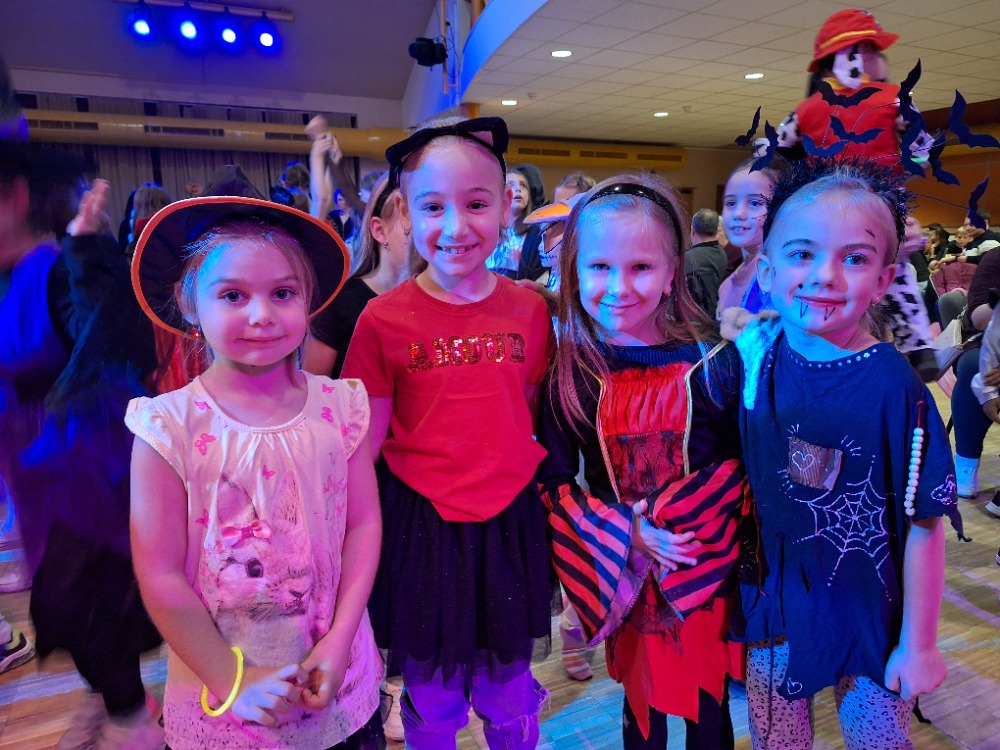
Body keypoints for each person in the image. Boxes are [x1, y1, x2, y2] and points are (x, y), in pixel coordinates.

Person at [126, 197, 385, 749]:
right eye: (233, 295)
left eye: (283, 293)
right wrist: (232, 680)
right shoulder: (167, 427)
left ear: (308, 299)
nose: (262, 314)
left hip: (340, 683)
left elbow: (362, 525)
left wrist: (340, 641)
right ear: (189, 303)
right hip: (225, 704)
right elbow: (160, 574)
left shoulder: (340, 407)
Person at [734, 161, 964, 750]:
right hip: (774, 604)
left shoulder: (893, 387)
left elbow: (924, 524)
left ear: (884, 280)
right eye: (801, 254)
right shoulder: (754, 356)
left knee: (877, 740)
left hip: (871, 615)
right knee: (775, 739)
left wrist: (919, 643)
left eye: (854, 258)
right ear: (768, 269)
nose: (825, 276)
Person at [342, 117, 552, 749]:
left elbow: (529, 411)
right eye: (434, 207)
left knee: (508, 691)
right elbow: (363, 445)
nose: (456, 227)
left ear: (507, 206)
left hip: (509, 524)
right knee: (432, 698)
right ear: (405, 213)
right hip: (421, 528)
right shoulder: (381, 319)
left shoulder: (529, 309)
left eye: (476, 204)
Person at [538, 174, 747, 749]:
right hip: (623, 570)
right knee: (642, 707)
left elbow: (740, 466)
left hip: (702, 566)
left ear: (673, 271)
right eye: (600, 267)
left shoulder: (715, 361)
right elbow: (553, 480)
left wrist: (682, 521)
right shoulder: (572, 372)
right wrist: (624, 531)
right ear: (574, 271)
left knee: (709, 711)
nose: (619, 287)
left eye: (641, 268)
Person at [0, 143, 162, 748]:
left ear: (15, 198)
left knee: (79, 603)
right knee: (76, 606)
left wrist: (88, 253)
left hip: (88, 467)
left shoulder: (54, 270)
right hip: (34, 470)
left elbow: (117, 346)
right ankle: (115, 701)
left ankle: (133, 721)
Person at [304, 174, 414, 379]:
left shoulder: (439, 298)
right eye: (411, 224)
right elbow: (312, 386)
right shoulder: (340, 302)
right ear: (380, 231)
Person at [716, 157, 784, 316]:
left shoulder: (779, 278)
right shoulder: (727, 284)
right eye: (731, 203)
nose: (738, 214)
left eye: (755, 203)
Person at [686, 208, 728, 318]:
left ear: (692, 231)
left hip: (694, 319)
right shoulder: (722, 253)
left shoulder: (689, 259)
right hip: (715, 316)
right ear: (717, 230)